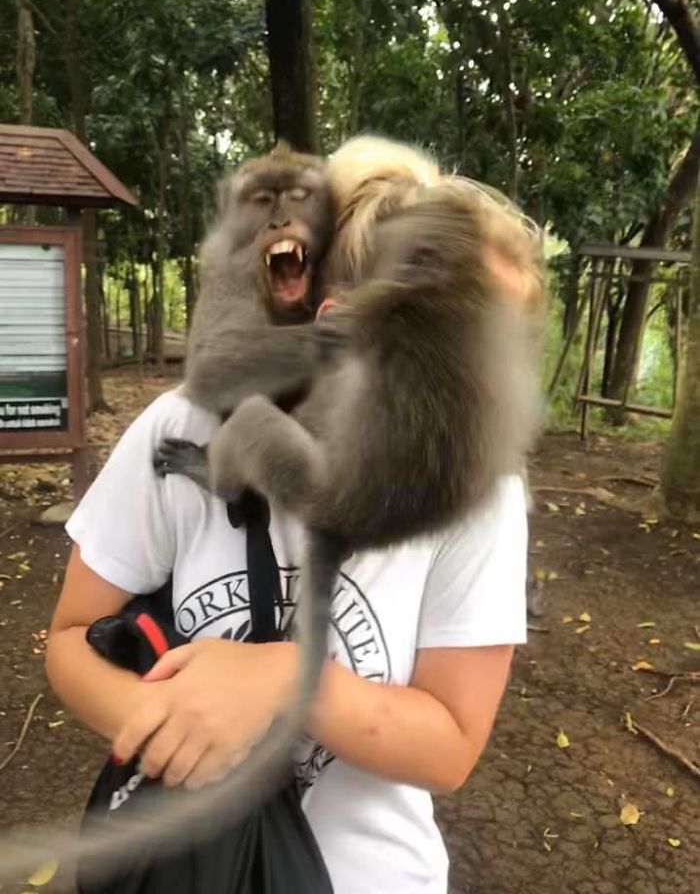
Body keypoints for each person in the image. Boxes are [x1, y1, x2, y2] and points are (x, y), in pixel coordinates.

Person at [46, 142, 542, 894]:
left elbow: (452, 744)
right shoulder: (184, 429)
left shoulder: (483, 494)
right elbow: (68, 641)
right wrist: (171, 726)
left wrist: (289, 682)